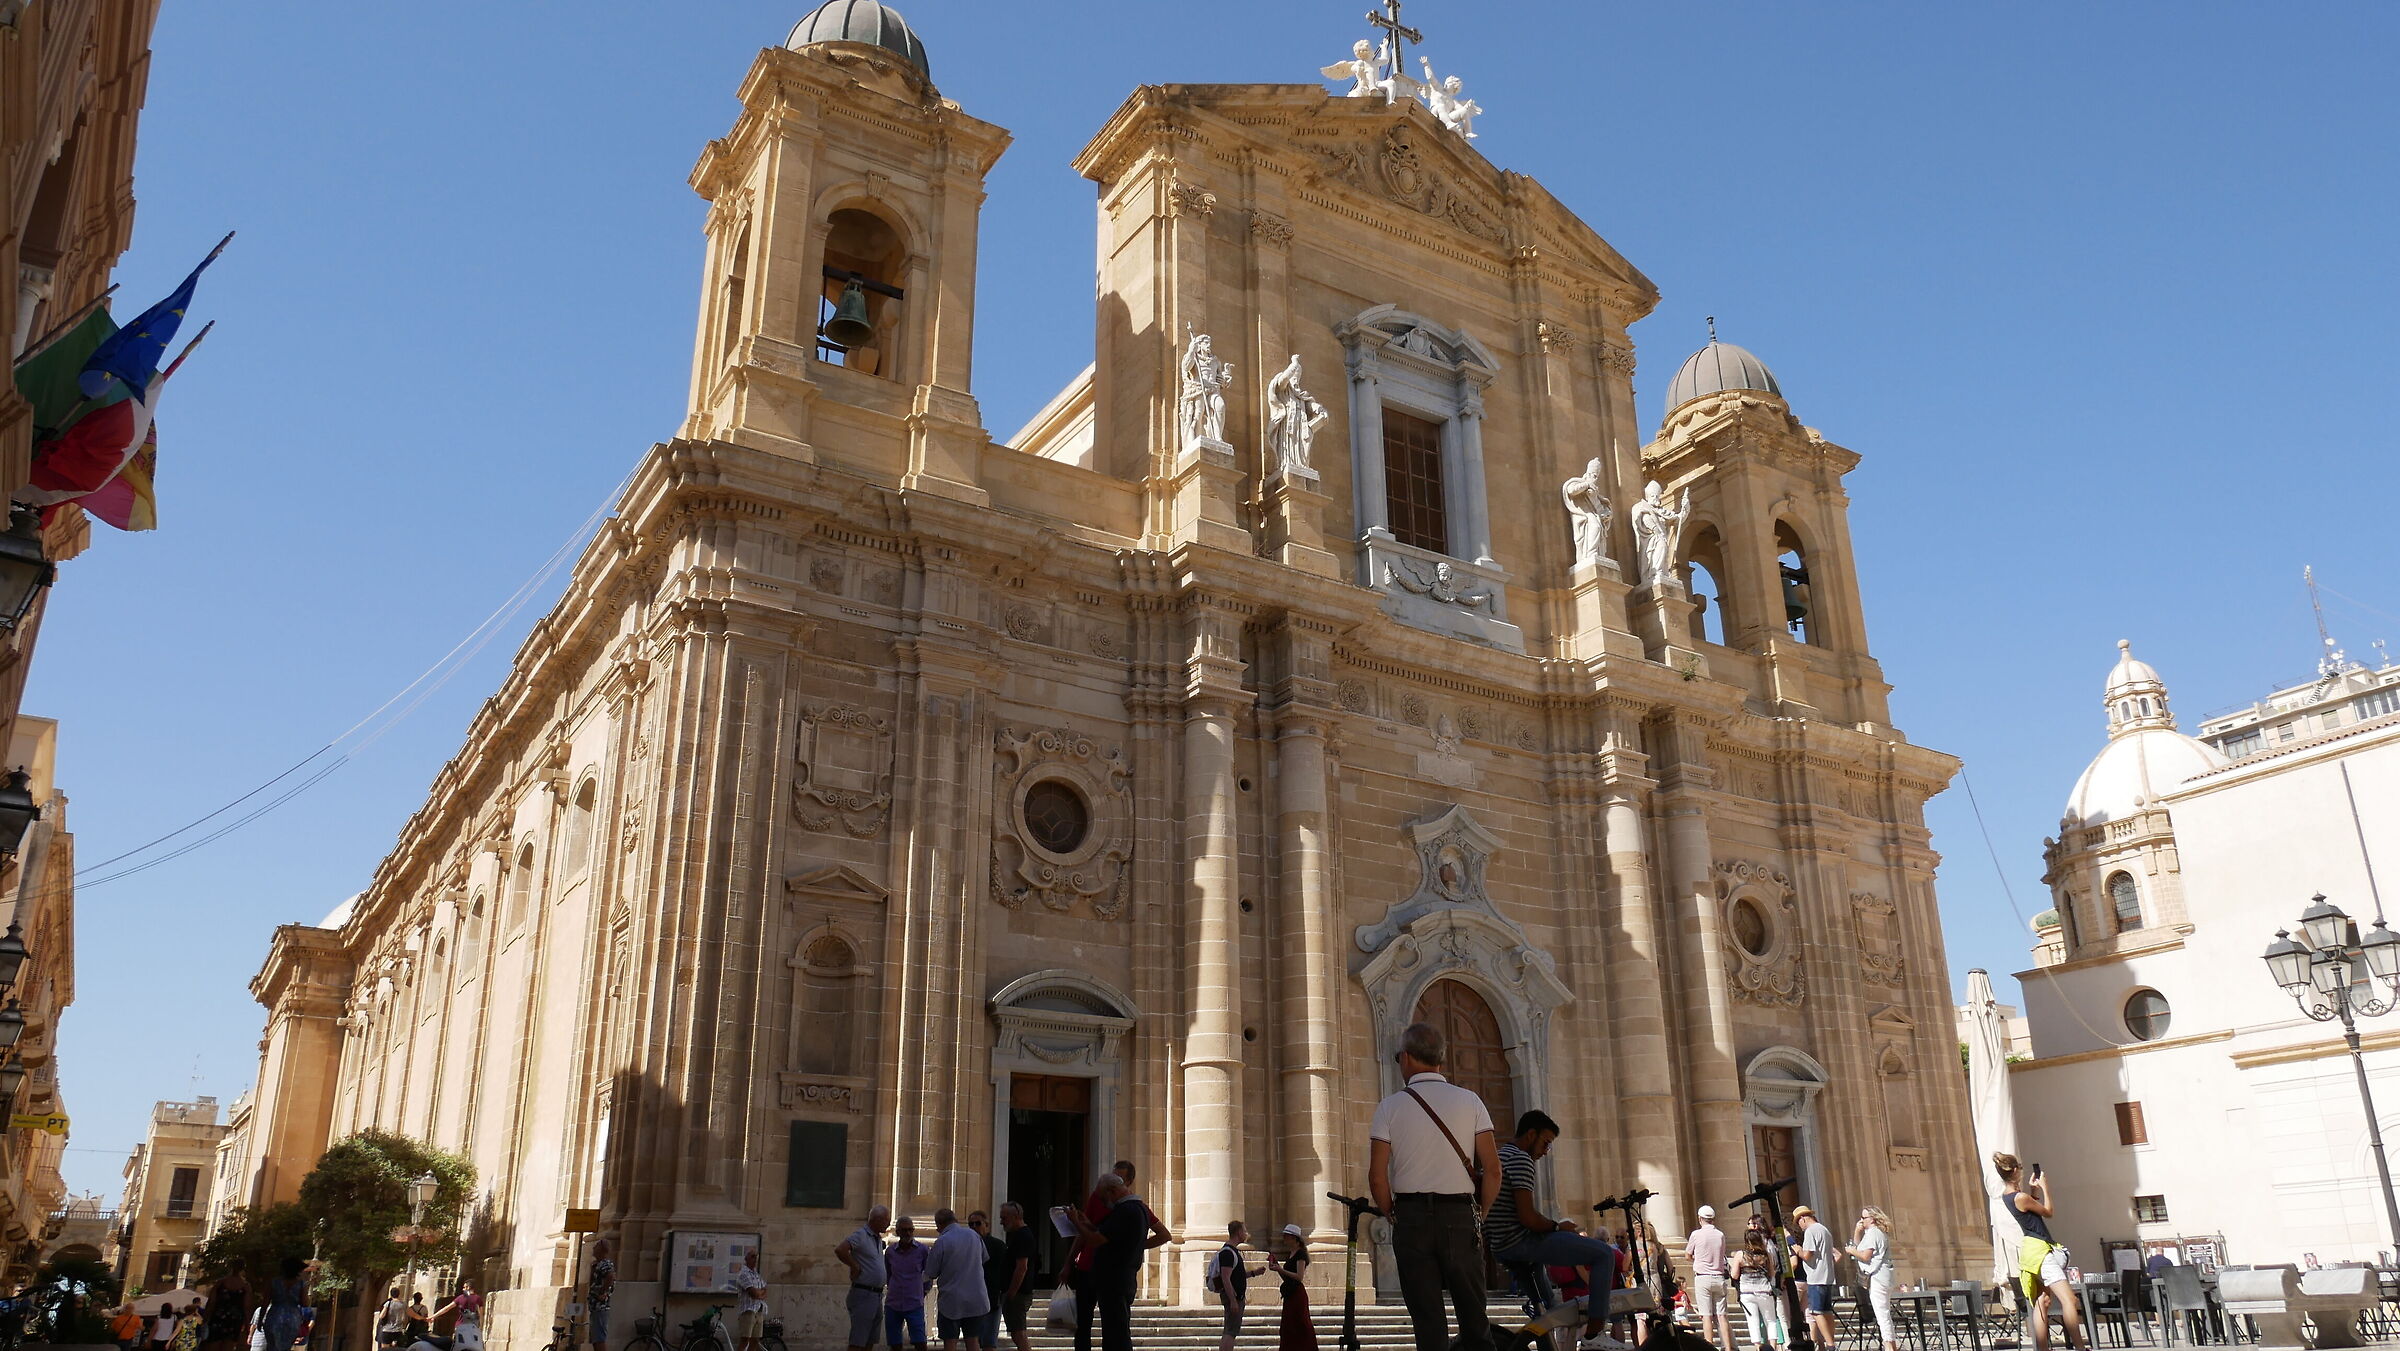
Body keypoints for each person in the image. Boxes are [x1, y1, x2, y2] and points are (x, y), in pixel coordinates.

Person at [1369, 1022, 1501, 1351]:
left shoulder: (1388, 1107)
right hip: (1459, 1214)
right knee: (1474, 1318)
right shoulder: (1471, 1102)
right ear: (1440, 1060)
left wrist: (1392, 1214)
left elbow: (1377, 1175)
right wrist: (1480, 1214)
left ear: (1409, 1058)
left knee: (1427, 1321)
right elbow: (1493, 1168)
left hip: (1411, 1217)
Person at [1477, 1109, 1622, 1349]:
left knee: (1547, 1311)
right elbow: (1528, 1218)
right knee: (1603, 1254)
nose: (1546, 1151)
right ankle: (1595, 1332)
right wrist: (1558, 1226)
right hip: (1522, 1242)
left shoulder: (1500, 1156)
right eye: (1545, 1143)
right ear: (1531, 1135)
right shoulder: (1521, 1159)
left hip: (1501, 1245)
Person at [1071, 1161, 1172, 1351]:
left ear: (1112, 1191)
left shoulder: (1126, 1211)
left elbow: (1096, 1240)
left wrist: (1076, 1222)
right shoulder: (1137, 1208)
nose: (1103, 1203)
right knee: (1114, 1334)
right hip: (1120, 1279)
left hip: (1114, 1281)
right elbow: (1111, 1237)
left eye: (1103, 1198)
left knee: (1117, 1336)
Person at [1992, 1153, 2088, 1351]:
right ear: (2016, 1171)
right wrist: (2045, 1187)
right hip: (2041, 1252)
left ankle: (2043, 1349)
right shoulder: (2020, 1197)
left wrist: (2034, 1191)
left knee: (2042, 1302)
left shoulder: (2009, 1197)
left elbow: (2030, 1212)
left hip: (2030, 1253)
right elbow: (2048, 1212)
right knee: (2069, 1300)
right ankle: (2079, 1348)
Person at [925, 1209, 992, 1351]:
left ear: (939, 1224)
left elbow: (931, 1272)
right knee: (973, 1340)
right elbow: (984, 1259)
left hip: (952, 1300)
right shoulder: (974, 1236)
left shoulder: (942, 1241)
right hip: (976, 1298)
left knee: (950, 1341)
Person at [836, 1205, 893, 1351]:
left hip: (876, 1294)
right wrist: (854, 1266)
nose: (888, 1223)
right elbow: (841, 1249)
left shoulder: (877, 1239)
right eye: (886, 1219)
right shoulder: (861, 1235)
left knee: (870, 1339)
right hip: (864, 1293)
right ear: (877, 1219)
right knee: (858, 1339)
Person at [1847, 1208, 1896, 1351]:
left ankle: (1889, 1347)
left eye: (1864, 1217)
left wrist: (1851, 1251)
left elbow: (1865, 1255)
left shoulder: (1874, 1233)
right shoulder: (1873, 1233)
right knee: (1884, 1313)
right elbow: (1860, 1247)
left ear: (1872, 1219)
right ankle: (1891, 1344)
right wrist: (1857, 1231)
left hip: (1877, 1277)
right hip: (1883, 1277)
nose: (1861, 1220)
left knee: (1882, 1315)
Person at [1732, 1221, 1784, 1351]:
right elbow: (1772, 1274)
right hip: (1764, 1291)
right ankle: (1772, 1347)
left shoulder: (1741, 1255)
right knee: (1770, 1320)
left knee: (1752, 1321)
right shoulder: (1766, 1255)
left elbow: (1734, 1275)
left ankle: (1758, 1347)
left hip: (1747, 1292)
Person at [1789, 1206, 1836, 1351]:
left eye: (1799, 1223)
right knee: (1827, 1311)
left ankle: (1830, 1344)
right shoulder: (1824, 1230)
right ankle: (1831, 1341)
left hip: (1816, 1277)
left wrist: (1798, 1250)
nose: (1800, 1227)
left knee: (1816, 1312)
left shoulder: (1810, 1231)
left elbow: (1807, 1255)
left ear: (1802, 1219)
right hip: (1827, 1277)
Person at [1687, 1206, 1732, 1351]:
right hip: (1719, 1277)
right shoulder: (1720, 1234)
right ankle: (1728, 1347)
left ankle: (1709, 1346)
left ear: (1700, 1218)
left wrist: (1697, 1258)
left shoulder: (1695, 1234)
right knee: (1721, 1315)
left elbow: (1688, 1255)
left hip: (1703, 1277)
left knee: (1706, 1316)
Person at [1267, 1224, 1317, 1351]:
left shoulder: (1300, 1254)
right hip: (1290, 1294)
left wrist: (1280, 1269)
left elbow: (1299, 1277)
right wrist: (1277, 1268)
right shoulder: (1292, 1253)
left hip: (1297, 1295)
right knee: (1288, 1326)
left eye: (1287, 1236)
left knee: (1299, 1326)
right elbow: (1288, 1278)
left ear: (1295, 1238)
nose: (1284, 1238)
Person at [887, 1216, 932, 1351]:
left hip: (914, 1304)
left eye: (910, 1230)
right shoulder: (890, 1252)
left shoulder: (923, 1250)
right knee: (894, 1344)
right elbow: (888, 1274)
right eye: (904, 1230)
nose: (907, 1233)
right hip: (893, 1304)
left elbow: (928, 1274)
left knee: (920, 1342)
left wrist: (923, 1291)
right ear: (898, 1231)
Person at [996, 1204, 1037, 1351]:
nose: (1001, 1222)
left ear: (1016, 1216)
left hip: (1018, 1294)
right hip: (1016, 1293)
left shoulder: (1023, 1236)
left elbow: (1022, 1267)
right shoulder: (1019, 1235)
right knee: (1016, 1333)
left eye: (1004, 1218)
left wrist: (1011, 1293)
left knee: (1018, 1334)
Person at [969, 1213, 1011, 1351]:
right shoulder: (967, 1247)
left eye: (978, 1223)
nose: (974, 1227)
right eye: (971, 1224)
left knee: (988, 1341)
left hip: (991, 1297)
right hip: (971, 1298)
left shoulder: (998, 1246)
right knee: (973, 1340)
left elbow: (1006, 1272)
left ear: (986, 1225)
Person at [1212, 1222, 1252, 1351]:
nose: (1246, 1234)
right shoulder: (1228, 1253)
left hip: (1235, 1297)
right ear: (1239, 1232)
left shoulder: (1231, 1252)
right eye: (1244, 1231)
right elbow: (1225, 1278)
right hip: (1233, 1298)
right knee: (1230, 1332)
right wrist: (1233, 1301)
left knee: (1230, 1330)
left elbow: (1235, 1276)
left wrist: (1253, 1273)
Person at [727, 1249, 769, 1351]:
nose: (755, 1259)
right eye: (752, 1257)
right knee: (745, 1340)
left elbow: (765, 1290)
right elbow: (753, 1293)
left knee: (755, 1341)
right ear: (746, 1259)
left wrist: (759, 1294)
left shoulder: (756, 1274)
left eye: (756, 1257)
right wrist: (759, 1293)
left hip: (759, 1311)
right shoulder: (743, 1274)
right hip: (748, 1312)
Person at [261, 1263, 310, 1351]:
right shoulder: (301, 1284)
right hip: (292, 1319)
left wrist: (260, 1319)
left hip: (274, 1316)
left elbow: (265, 1302)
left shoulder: (274, 1282)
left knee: (272, 1346)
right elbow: (305, 1303)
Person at [206, 1263, 253, 1351]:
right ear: (243, 1270)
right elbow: (247, 1306)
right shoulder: (245, 1286)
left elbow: (211, 1301)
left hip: (218, 1316)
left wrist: (206, 1317)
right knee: (229, 1344)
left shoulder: (220, 1283)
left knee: (213, 1342)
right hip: (235, 1318)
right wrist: (247, 1324)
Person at [587, 1238, 616, 1351]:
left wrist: (603, 1291)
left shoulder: (605, 1263)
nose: (593, 1248)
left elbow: (611, 1276)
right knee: (595, 1339)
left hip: (600, 1307)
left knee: (599, 1339)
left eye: (596, 1246)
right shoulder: (598, 1264)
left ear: (602, 1249)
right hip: (595, 1307)